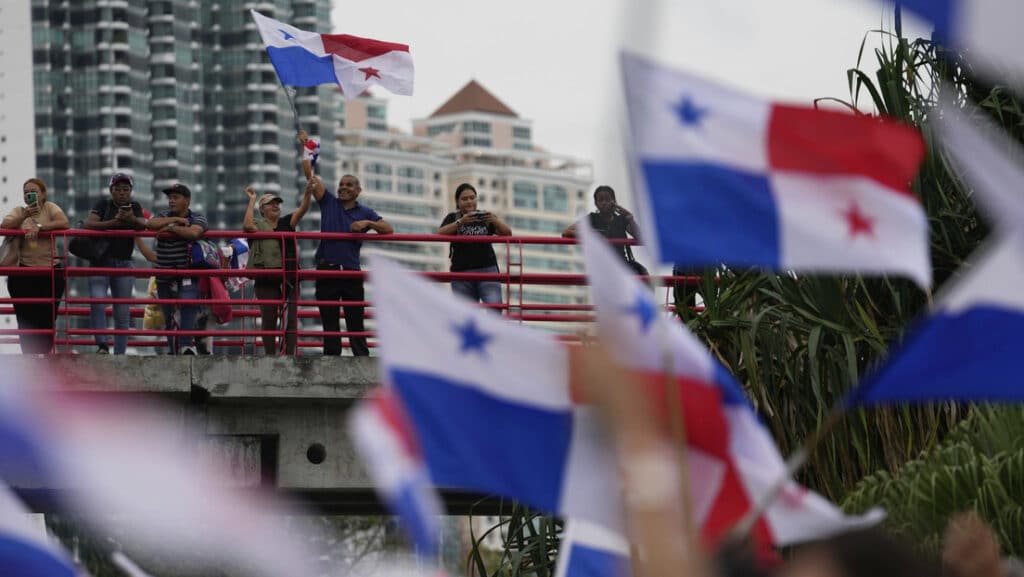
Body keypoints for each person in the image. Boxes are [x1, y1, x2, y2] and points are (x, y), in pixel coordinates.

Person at [312, 173, 392, 356]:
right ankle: (332, 363)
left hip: (351, 273)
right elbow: (312, 178)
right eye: (341, 184)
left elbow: (388, 229)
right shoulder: (328, 202)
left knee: (356, 322)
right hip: (327, 270)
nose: (343, 187)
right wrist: (307, 150)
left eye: (349, 184)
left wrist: (368, 223)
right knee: (329, 323)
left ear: (358, 190)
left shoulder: (365, 212)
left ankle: (362, 362)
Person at [243, 179, 313, 355]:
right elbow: (246, 226)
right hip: (266, 278)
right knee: (269, 318)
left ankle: (290, 355)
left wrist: (308, 192)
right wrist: (252, 199)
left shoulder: (287, 222)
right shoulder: (257, 225)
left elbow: (303, 209)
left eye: (277, 204)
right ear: (262, 209)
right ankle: (270, 356)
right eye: (270, 204)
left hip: (289, 276)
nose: (275, 206)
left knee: (291, 320)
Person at [1, 178, 70, 353]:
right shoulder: (19, 211)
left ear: (43, 194)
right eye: (26, 192)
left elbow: (64, 222)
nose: (29, 195)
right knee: (25, 319)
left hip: (50, 271)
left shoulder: (50, 208)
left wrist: (40, 226)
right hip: (24, 272)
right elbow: (5, 225)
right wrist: (24, 216)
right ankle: (29, 358)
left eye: (33, 192)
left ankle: (45, 356)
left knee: (47, 319)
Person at [83, 173, 149, 354]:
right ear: (111, 190)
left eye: (125, 189)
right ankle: (102, 345)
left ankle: (120, 353)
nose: (121, 193)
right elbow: (89, 224)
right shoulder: (103, 204)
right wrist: (114, 222)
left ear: (131, 191)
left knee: (122, 311)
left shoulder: (134, 207)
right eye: (117, 189)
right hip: (100, 263)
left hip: (124, 263)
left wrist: (131, 219)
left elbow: (143, 225)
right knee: (97, 302)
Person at [145, 183, 208, 355]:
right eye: (170, 198)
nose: (171, 201)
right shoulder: (163, 215)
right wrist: (176, 221)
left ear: (187, 200)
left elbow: (195, 233)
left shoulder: (197, 217)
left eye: (176, 197)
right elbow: (151, 224)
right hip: (164, 273)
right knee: (169, 316)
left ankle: (186, 346)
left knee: (188, 305)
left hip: (187, 272)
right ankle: (173, 351)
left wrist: (170, 228)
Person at [437, 183, 512, 305]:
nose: (469, 202)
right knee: (465, 313)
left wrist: (495, 220)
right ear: (457, 202)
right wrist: (460, 222)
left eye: (472, 198)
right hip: (461, 272)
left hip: (487, 270)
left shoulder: (485, 217)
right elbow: (439, 234)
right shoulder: (454, 217)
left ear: (477, 199)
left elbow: (508, 234)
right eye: (464, 199)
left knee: (494, 307)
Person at [562, 185, 643, 272]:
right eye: (600, 200)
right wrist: (590, 234)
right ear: (596, 204)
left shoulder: (621, 219)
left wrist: (630, 218)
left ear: (614, 202)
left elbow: (640, 237)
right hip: (601, 267)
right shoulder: (592, 218)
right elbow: (566, 232)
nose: (604, 203)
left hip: (621, 266)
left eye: (607, 199)